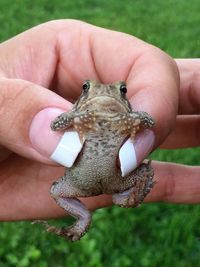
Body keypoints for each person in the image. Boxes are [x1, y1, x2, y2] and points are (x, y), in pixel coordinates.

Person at [0, 20, 199, 221]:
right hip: (78, 179)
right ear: (83, 94)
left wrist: (135, 118)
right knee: (57, 190)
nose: (103, 94)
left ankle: (126, 200)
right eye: (87, 88)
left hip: (119, 178)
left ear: (125, 96)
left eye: (122, 90)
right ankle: (82, 218)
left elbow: (149, 120)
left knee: (145, 170)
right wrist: (75, 117)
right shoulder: (76, 116)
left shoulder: (127, 118)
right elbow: (53, 124)